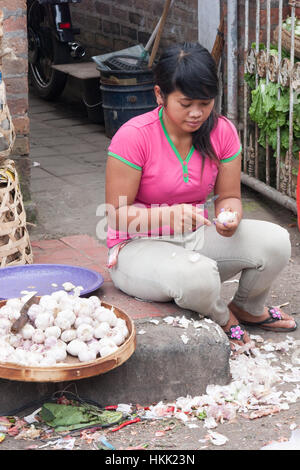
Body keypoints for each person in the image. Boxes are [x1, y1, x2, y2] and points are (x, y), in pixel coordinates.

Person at [105, 42, 297, 352]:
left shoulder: (221, 131)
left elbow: (229, 196)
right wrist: (165, 216)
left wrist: (231, 217)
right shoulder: (134, 136)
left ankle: (248, 307)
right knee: (197, 276)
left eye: (205, 103)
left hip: (194, 237)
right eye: (186, 103)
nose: (197, 113)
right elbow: (115, 214)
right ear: (159, 95)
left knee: (275, 242)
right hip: (135, 249)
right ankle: (222, 317)